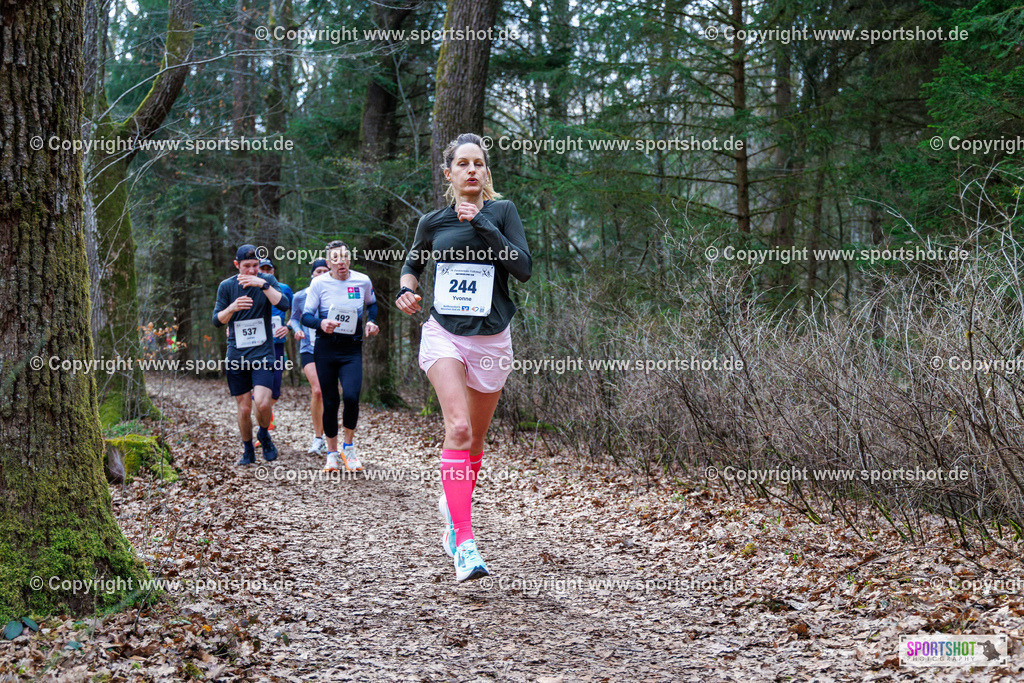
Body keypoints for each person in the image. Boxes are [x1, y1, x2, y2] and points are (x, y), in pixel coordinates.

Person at [397, 133, 532, 582]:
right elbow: (412, 265)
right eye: (463, 164)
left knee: (474, 442)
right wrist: (406, 292)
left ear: (486, 171)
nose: (472, 170)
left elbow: (523, 268)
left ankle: (454, 512)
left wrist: (484, 227)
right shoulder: (432, 222)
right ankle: (464, 541)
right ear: (449, 172)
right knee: (457, 427)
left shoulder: (503, 212)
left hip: (493, 338)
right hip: (444, 335)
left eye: (479, 163)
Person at [301, 242, 379, 472]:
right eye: (335, 258)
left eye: (345, 256)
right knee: (331, 401)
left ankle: (349, 447)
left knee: (353, 397)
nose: (341, 261)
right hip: (326, 349)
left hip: (351, 349)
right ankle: (332, 453)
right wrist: (321, 322)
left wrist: (372, 321)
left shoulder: (362, 280)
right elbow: (306, 316)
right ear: (328, 263)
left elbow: (371, 305)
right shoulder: (319, 283)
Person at [212, 244, 290, 464]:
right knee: (244, 408)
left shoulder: (267, 281)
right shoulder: (227, 287)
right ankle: (247, 450)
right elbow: (216, 320)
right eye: (247, 266)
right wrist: (232, 308)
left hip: (263, 354)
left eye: (255, 266)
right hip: (237, 354)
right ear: (237, 265)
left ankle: (264, 434)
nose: (252, 270)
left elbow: (283, 304)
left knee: (263, 404)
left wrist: (263, 284)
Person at [289, 258, 330, 455]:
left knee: (330, 394)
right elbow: (294, 318)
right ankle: (317, 438)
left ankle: (330, 438)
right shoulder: (300, 296)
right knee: (318, 391)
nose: (321, 274)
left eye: (325, 271)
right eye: (318, 271)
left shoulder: (335, 294)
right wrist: (296, 330)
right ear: (312, 275)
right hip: (309, 349)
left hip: (332, 350)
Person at [258, 258, 293, 431]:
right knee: (259, 388)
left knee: (276, 390)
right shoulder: (251, 289)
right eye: (262, 269)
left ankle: (264, 414)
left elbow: (296, 314)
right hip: (256, 346)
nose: (265, 272)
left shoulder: (285, 289)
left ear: (273, 271)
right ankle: (263, 427)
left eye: (268, 269)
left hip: (277, 344)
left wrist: (288, 327)